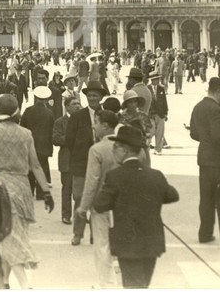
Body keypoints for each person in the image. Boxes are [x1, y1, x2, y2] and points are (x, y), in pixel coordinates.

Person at [0, 94, 54, 289]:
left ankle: (24, 285)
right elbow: (36, 166)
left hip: (0, 187)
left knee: (8, 238)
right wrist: (46, 192)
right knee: (14, 236)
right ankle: (3, 283)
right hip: (22, 189)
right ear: (16, 112)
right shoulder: (26, 133)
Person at [93, 125, 179, 288]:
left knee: (133, 285)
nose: (113, 151)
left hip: (128, 242)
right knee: (143, 284)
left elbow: (100, 204)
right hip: (151, 242)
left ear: (125, 150)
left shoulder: (115, 176)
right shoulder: (155, 175)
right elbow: (172, 195)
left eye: (116, 147)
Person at [76, 109, 148, 288]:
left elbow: (91, 182)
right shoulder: (133, 149)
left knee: (102, 244)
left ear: (105, 126)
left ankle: (105, 284)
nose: (94, 126)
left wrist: (83, 207)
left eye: (96, 122)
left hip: (102, 205)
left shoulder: (97, 149)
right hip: (127, 205)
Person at [65, 80, 105, 246]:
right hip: (81, 165)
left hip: (102, 166)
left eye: (95, 96)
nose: (92, 99)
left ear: (101, 97)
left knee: (99, 201)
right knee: (80, 199)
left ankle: (95, 234)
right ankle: (77, 233)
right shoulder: (77, 116)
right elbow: (69, 140)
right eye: (89, 96)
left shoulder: (107, 115)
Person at [189, 76, 220, 243]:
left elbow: (193, 133)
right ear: (217, 91)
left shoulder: (198, 107)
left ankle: (205, 234)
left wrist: (205, 139)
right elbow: (217, 135)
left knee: (206, 198)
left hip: (204, 158)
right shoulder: (216, 109)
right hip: (217, 159)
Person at [20, 86, 55, 200]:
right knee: (42, 168)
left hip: (29, 144)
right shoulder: (49, 113)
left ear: (35, 97)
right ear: (46, 99)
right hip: (44, 145)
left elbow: (22, 127)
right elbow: (52, 130)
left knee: (30, 168)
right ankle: (40, 193)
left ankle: (30, 191)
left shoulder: (28, 110)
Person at [52, 96, 81, 225]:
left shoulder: (84, 120)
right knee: (67, 189)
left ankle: (79, 215)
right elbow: (56, 139)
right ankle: (66, 215)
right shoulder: (60, 122)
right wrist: (72, 137)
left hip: (81, 160)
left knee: (80, 190)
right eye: (74, 104)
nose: (77, 106)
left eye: (78, 104)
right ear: (67, 106)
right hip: (67, 160)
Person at [148, 70, 169, 154]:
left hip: (160, 113)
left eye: (158, 79)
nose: (158, 81)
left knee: (160, 132)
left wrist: (166, 112)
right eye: (156, 79)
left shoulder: (161, 88)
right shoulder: (147, 88)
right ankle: (147, 146)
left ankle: (158, 149)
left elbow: (164, 101)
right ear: (152, 80)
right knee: (151, 131)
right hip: (151, 113)